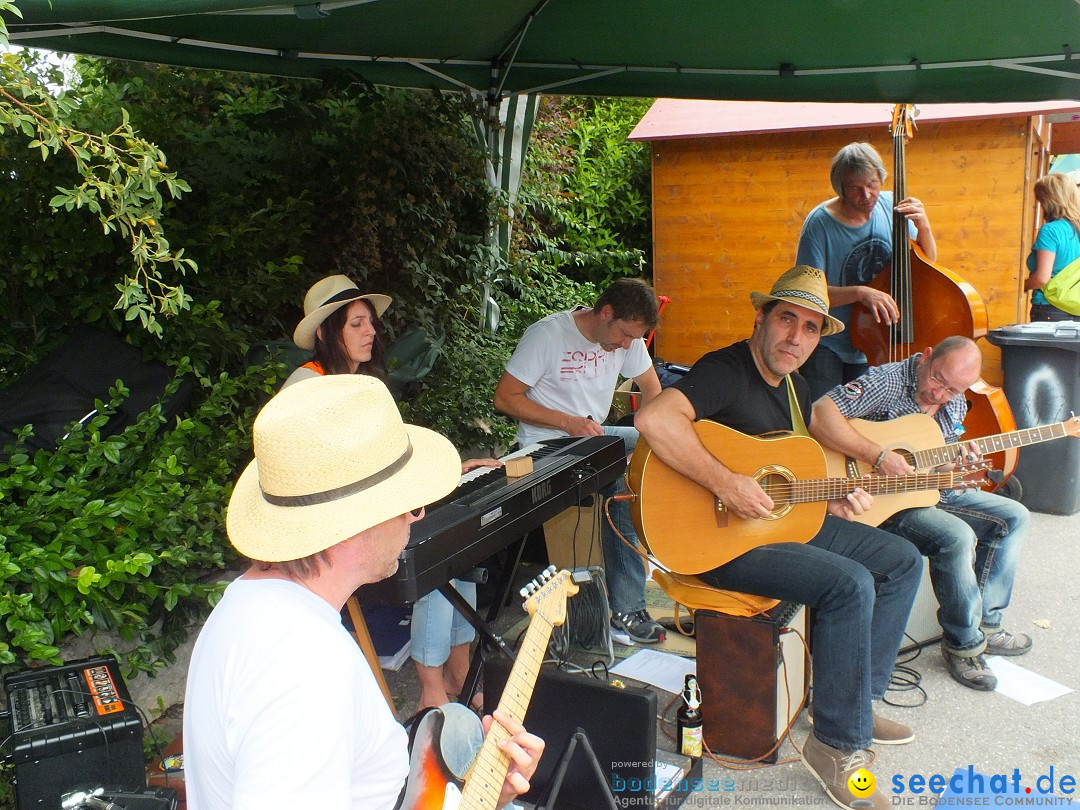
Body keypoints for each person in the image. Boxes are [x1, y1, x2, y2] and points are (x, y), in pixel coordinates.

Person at [634, 265, 922, 810]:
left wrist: (826, 497)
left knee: (901, 560)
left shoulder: (796, 385)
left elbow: (780, 476)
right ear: (761, 317)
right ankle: (836, 747)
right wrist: (726, 482)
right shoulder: (726, 369)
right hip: (717, 542)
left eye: (811, 328)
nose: (796, 338)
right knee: (849, 584)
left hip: (773, 526)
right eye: (787, 319)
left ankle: (853, 701)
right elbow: (655, 420)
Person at [183, 375, 543, 809]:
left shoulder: (253, 606)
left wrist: (484, 794)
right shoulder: (304, 666)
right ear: (353, 523)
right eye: (409, 502)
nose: (417, 516)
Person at [286, 274, 498, 711]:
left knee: (457, 543)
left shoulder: (360, 382)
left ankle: (459, 669)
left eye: (371, 323)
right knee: (434, 552)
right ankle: (431, 688)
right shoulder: (307, 386)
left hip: (369, 512)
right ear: (327, 332)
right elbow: (315, 478)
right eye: (357, 324)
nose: (372, 332)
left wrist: (450, 472)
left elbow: (386, 460)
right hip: (331, 530)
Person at [809, 336, 1032, 691]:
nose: (939, 394)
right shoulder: (889, 380)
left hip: (928, 491)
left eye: (952, 390)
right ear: (927, 356)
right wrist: (877, 455)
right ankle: (964, 645)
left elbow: (935, 464)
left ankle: (987, 625)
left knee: (1015, 517)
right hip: (881, 499)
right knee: (955, 536)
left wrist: (958, 462)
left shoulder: (955, 402)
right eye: (937, 380)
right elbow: (821, 413)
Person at [493, 278, 666, 645]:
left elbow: (653, 390)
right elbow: (505, 398)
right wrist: (566, 422)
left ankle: (676, 553)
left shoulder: (628, 338)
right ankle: (627, 608)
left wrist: (649, 439)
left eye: (633, 339)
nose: (625, 346)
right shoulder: (547, 336)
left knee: (674, 449)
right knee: (623, 477)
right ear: (605, 312)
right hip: (547, 445)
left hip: (594, 437)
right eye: (622, 335)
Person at [796, 142, 938, 400]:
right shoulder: (819, 225)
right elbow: (808, 292)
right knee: (822, 418)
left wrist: (924, 227)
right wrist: (862, 293)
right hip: (830, 343)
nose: (867, 194)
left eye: (872, 183)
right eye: (855, 188)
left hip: (879, 341)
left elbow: (927, 265)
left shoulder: (892, 205)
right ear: (840, 188)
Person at [1024, 173, 1080, 322]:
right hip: (1076, 308)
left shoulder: (1050, 231)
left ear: (1048, 201)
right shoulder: (1077, 228)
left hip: (1049, 309)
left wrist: (1022, 285)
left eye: (1040, 201)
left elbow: (1042, 278)